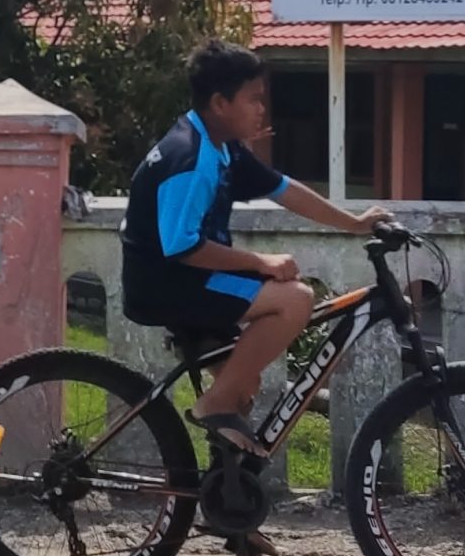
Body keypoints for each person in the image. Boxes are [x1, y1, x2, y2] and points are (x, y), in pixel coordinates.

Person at [120, 40, 393, 465]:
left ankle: (232, 517)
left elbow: (284, 189)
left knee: (240, 392)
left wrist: (354, 222)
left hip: (188, 280)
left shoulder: (220, 147)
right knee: (295, 300)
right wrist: (260, 262)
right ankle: (211, 406)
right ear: (220, 103)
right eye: (253, 99)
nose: (261, 110)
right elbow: (182, 246)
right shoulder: (190, 158)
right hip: (168, 286)